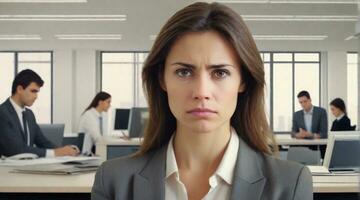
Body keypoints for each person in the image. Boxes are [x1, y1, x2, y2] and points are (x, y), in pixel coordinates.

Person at [92, 2, 312, 200]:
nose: (201, 92)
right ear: (162, 79)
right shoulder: (113, 181)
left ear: (243, 81)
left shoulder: (289, 184)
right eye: (184, 72)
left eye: (220, 73)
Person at [0, 69, 79, 157]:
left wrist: (65, 151)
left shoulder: (29, 115)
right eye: (33, 91)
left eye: (37, 92)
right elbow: (16, 149)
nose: (36, 96)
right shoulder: (2, 113)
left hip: (26, 167)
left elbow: (43, 142)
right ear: (19, 89)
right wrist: (55, 153)